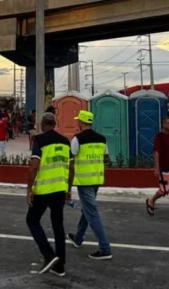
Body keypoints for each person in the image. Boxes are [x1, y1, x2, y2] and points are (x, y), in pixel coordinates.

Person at [26, 113, 69, 277]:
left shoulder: (39, 140)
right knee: (58, 225)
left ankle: (49, 255)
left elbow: (33, 166)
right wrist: (69, 188)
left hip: (44, 189)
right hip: (60, 189)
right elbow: (71, 168)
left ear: (43, 124)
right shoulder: (65, 142)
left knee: (32, 220)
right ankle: (60, 265)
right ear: (55, 124)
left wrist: (29, 189)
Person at [66, 110, 112, 260]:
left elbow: (71, 162)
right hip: (96, 180)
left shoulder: (77, 139)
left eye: (78, 120)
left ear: (82, 122)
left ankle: (105, 248)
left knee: (91, 212)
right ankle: (78, 238)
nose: (77, 123)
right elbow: (106, 159)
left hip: (84, 181)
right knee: (87, 209)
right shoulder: (102, 139)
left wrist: (68, 185)